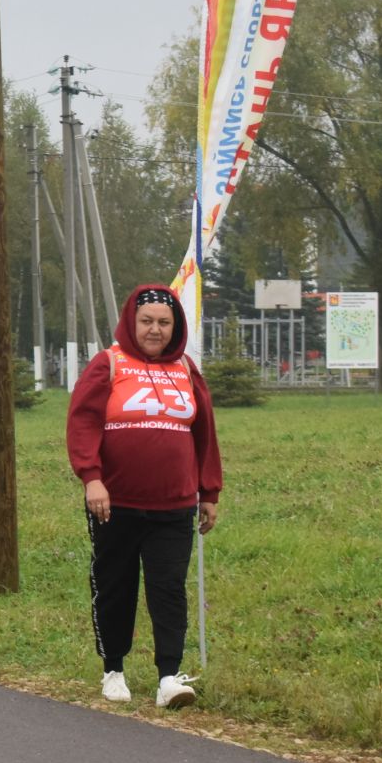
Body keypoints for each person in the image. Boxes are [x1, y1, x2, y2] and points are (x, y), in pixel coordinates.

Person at [65, 284, 222, 709]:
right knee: (116, 586)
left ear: (176, 327)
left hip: (174, 505)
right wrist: (91, 478)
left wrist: (209, 491)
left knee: (168, 588)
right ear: (132, 323)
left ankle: (169, 677)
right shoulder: (109, 364)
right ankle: (113, 669)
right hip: (114, 505)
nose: (155, 330)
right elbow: (83, 423)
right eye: (147, 321)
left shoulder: (186, 370)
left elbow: (204, 434)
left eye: (164, 323)